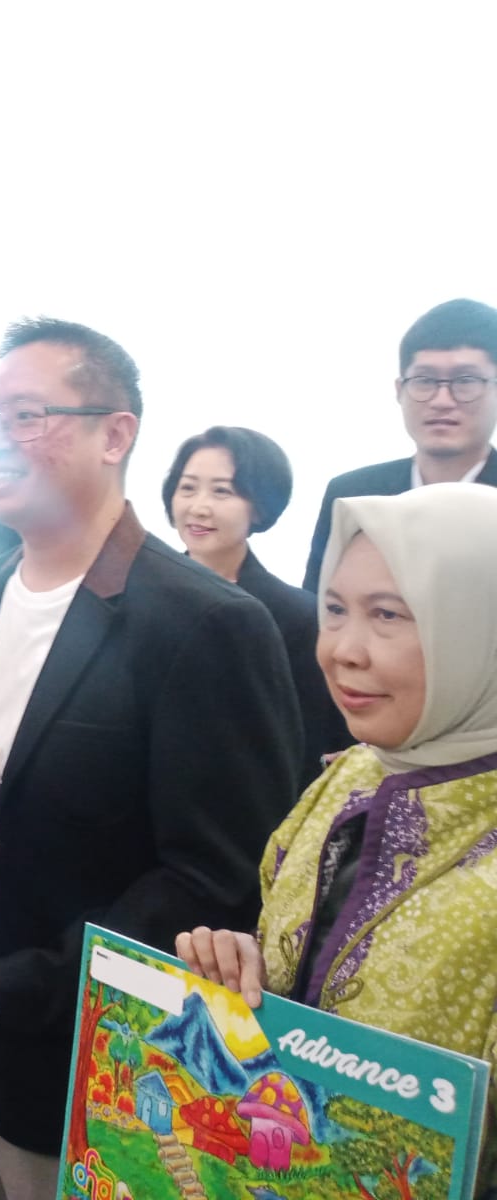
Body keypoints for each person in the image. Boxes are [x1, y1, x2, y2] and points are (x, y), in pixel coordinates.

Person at [0, 320, 302, 1200]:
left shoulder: (204, 625)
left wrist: (31, 985)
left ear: (115, 433)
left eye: (27, 415)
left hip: (81, 1066)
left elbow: (217, 876)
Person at [179, 483, 497, 1196]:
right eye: (333, 610)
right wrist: (245, 967)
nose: (342, 651)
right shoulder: (352, 774)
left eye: (387, 615)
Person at [164, 426, 352, 781]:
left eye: (222, 491)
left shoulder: (297, 617)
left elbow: (305, 742)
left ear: (260, 507)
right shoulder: (137, 595)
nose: (198, 507)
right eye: (187, 488)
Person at [303, 298, 497, 591]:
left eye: (465, 380)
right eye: (425, 380)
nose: (442, 400)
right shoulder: (352, 494)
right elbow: (319, 606)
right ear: (399, 390)